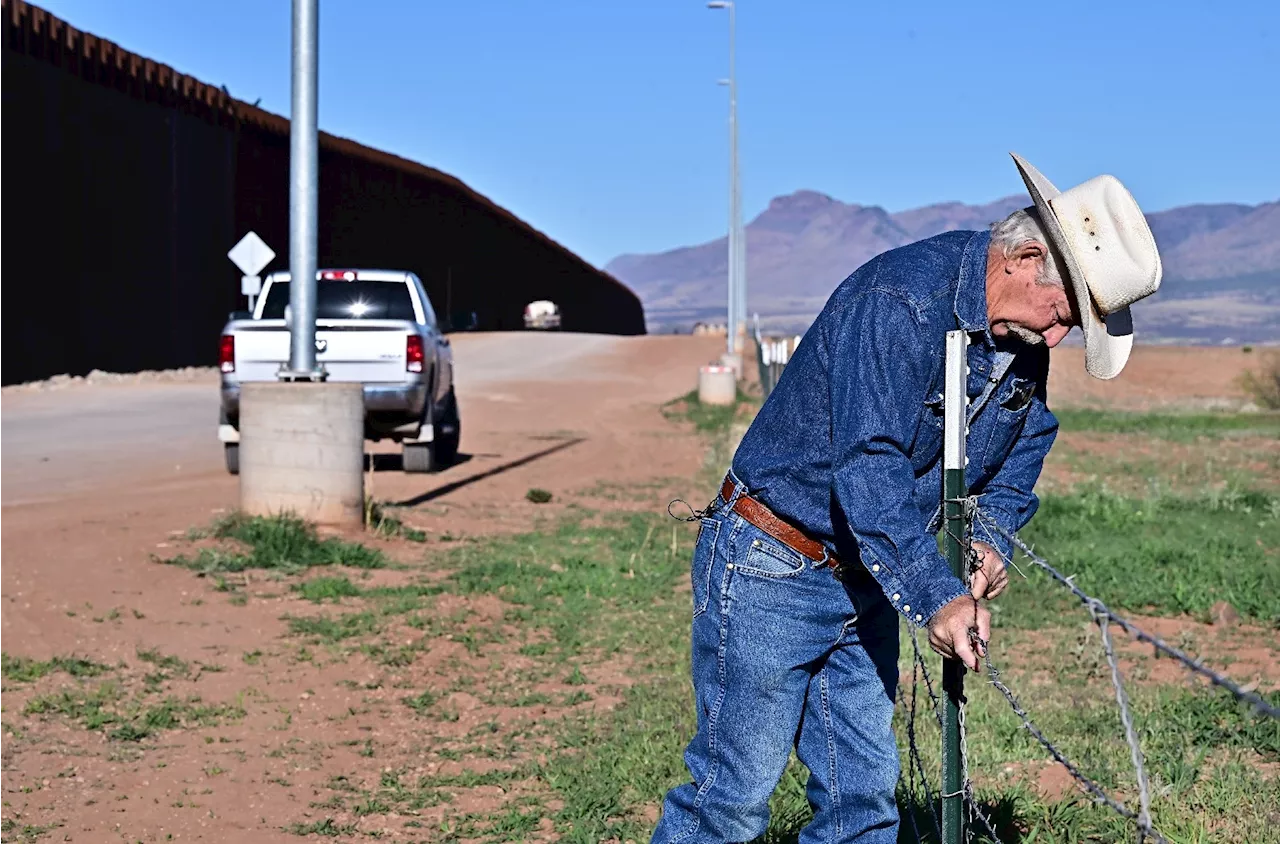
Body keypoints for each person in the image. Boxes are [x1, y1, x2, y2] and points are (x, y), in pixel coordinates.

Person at [651, 154, 1163, 843]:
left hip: (864, 576)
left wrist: (992, 538)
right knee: (732, 800)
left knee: (862, 802)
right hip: (772, 562)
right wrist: (939, 594)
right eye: (1063, 312)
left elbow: (1027, 440)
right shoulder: (897, 304)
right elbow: (869, 466)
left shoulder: (1019, 335)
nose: (1057, 336)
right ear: (1025, 258)